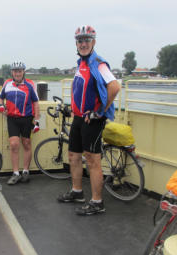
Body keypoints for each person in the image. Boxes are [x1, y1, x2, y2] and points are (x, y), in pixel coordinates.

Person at [57, 25, 121, 216]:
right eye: (80, 40)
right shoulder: (81, 64)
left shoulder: (98, 64)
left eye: (86, 40)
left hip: (92, 120)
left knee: (93, 161)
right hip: (78, 118)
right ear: (76, 44)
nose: (83, 43)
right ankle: (77, 192)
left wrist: (99, 111)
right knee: (73, 157)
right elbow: (79, 89)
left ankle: (97, 202)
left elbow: (115, 87)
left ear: (93, 42)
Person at [0, 61, 40, 185]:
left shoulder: (30, 84)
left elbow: (36, 102)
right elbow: (0, 97)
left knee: (26, 144)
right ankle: (15, 173)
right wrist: (0, 105)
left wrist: (37, 121)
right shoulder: (7, 84)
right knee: (14, 144)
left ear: (23, 72)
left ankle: (25, 171)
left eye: (20, 71)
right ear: (12, 72)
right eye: (15, 71)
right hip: (12, 119)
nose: (17, 73)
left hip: (27, 118)